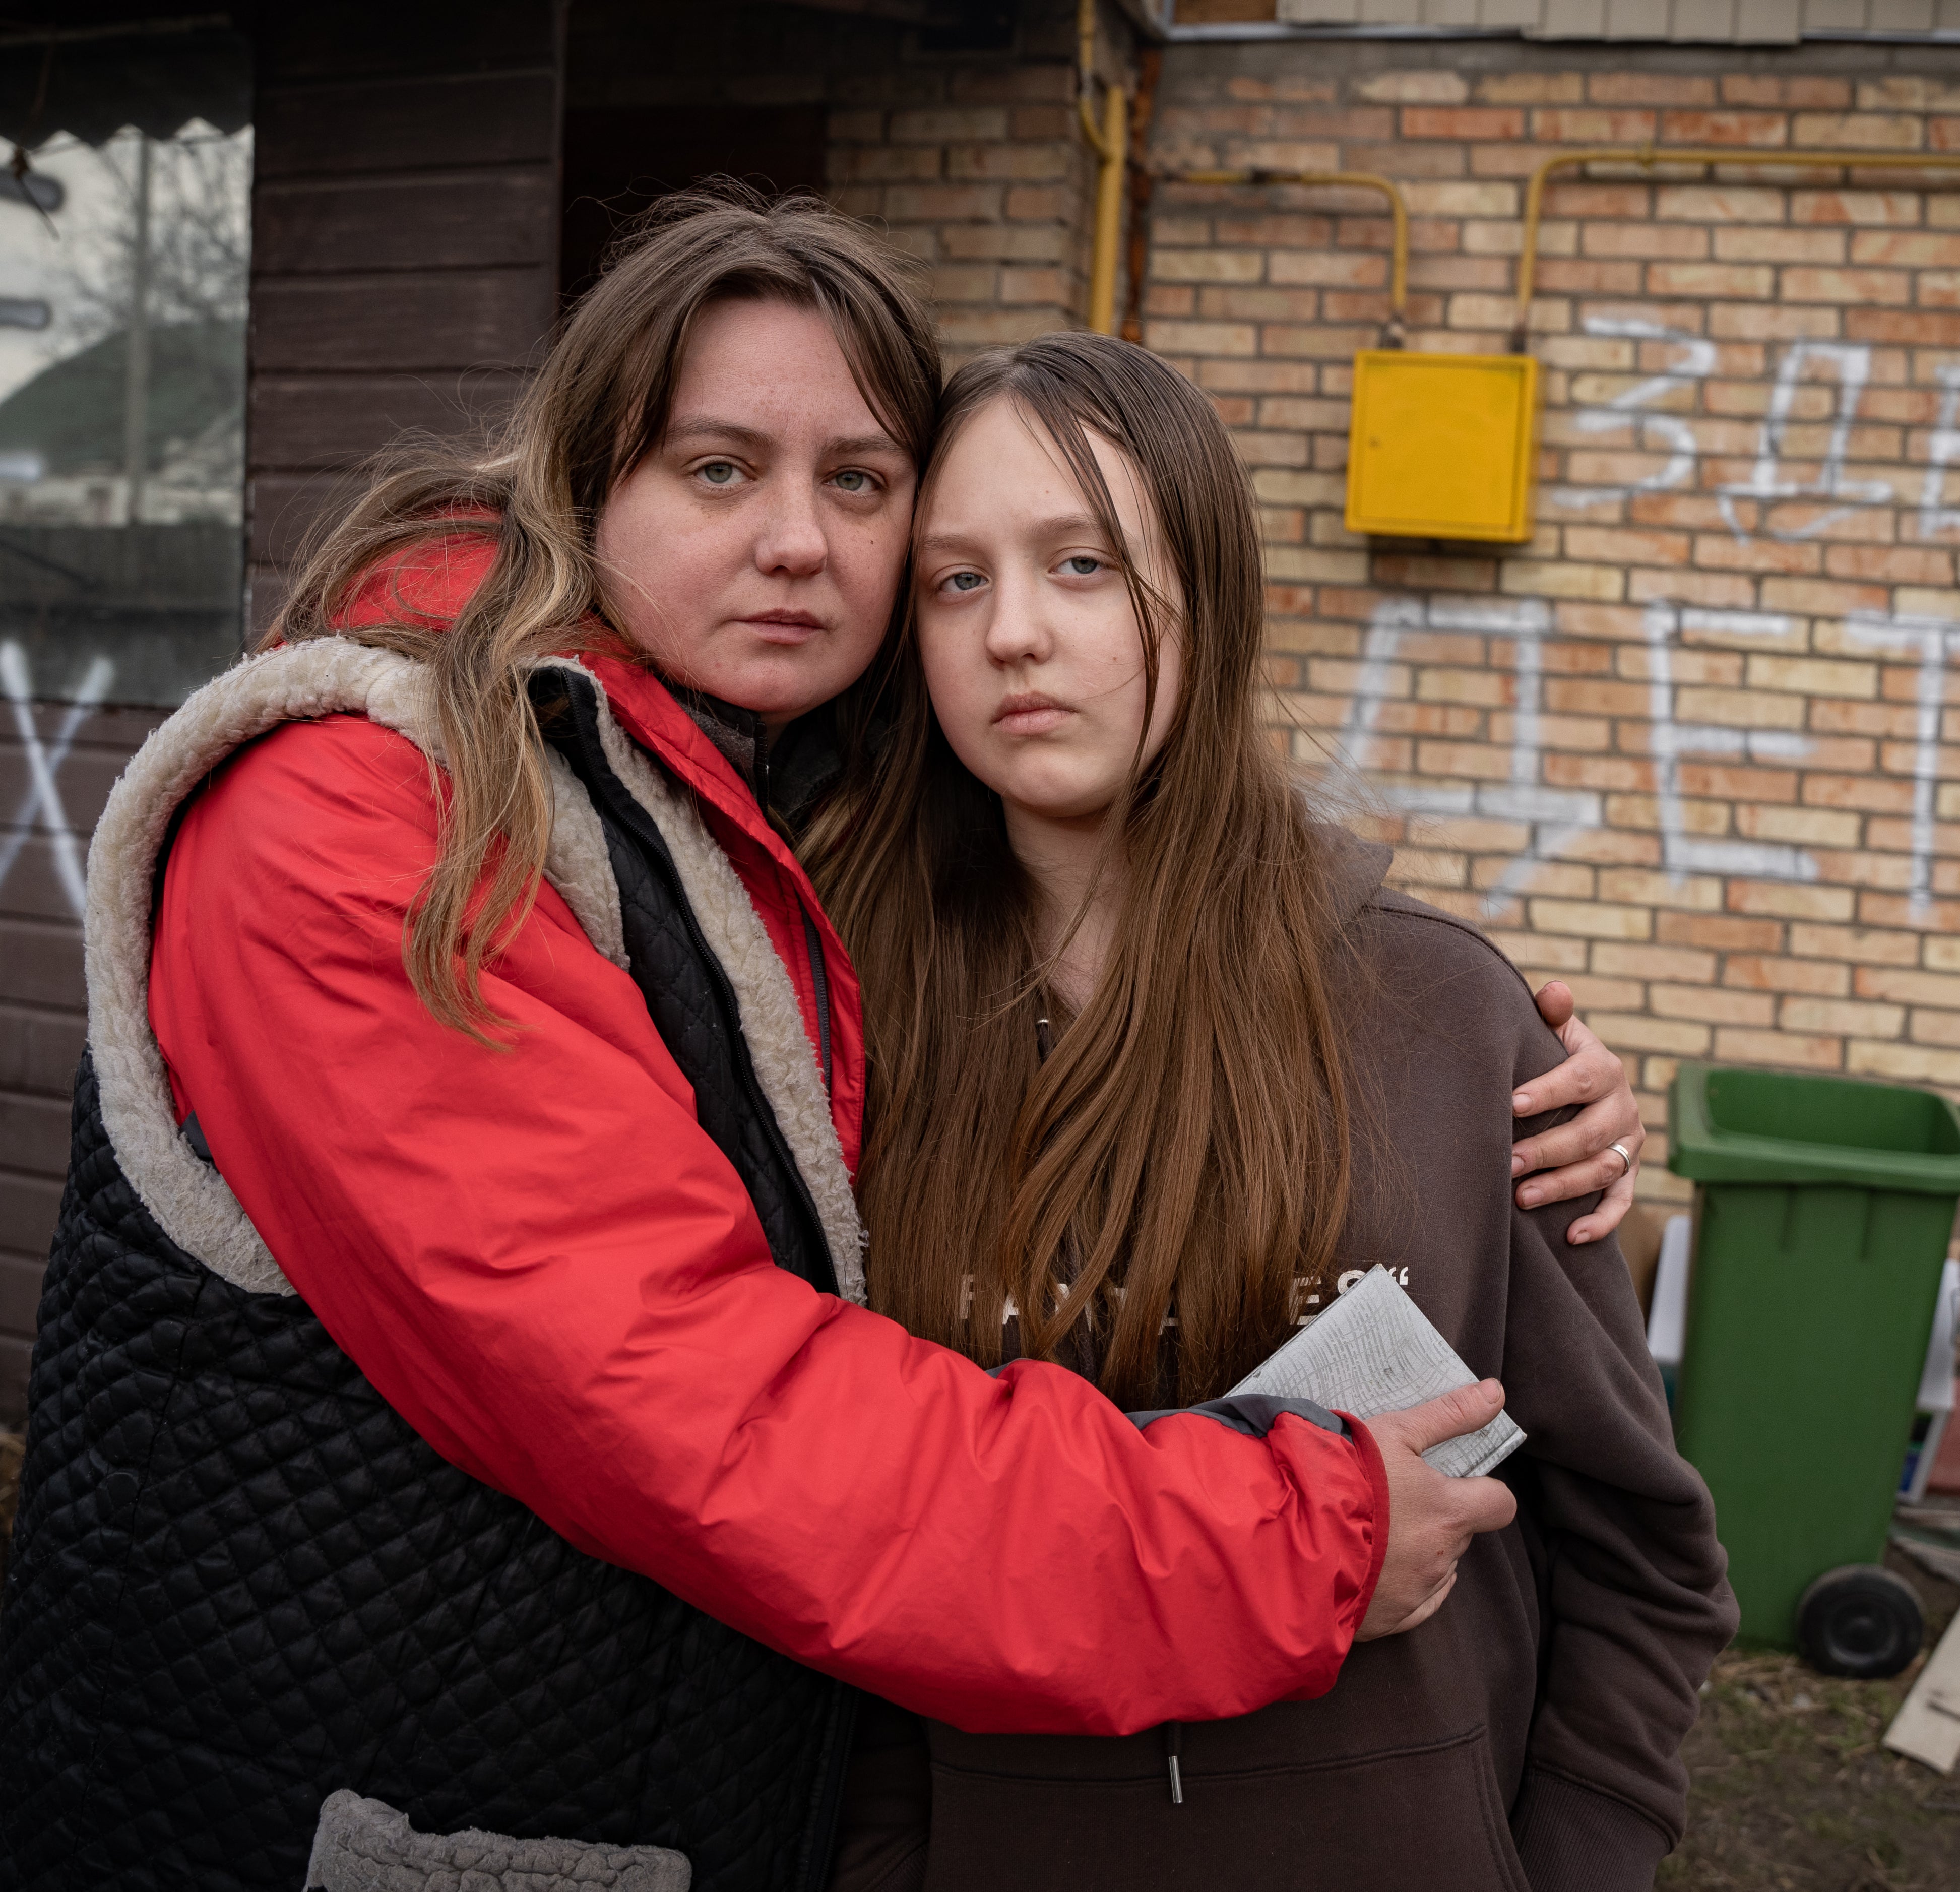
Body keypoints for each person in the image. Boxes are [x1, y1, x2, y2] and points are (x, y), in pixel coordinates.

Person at [0, 191, 1646, 1891]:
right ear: (584, 481)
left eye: (858, 483)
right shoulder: (365, 805)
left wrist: (1470, 1053)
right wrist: (1294, 1531)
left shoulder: (764, 831)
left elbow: (1632, 1546)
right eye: (720, 468)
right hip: (331, 1818)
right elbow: (707, 1404)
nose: (799, 539)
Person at [822, 332, 1736, 1892]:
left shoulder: (1441, 1017)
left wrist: (1578, 1860)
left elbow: (1635, 1544)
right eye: (954, 581)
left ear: (1211, 591)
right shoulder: (840, 1023)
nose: (1015, 634)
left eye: (1084, 564)